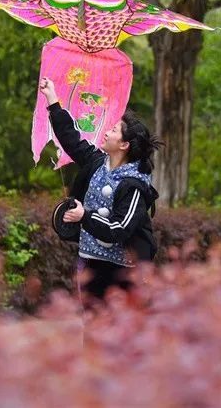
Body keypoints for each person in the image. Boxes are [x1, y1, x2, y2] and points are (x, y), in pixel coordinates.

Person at [40, 77, 161, 308]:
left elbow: (119, 229)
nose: (106, 132)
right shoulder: (96, 162)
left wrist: (84, 216)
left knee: (119, 327)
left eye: (114, 130)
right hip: (90, 263)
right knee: (92, 324)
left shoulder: (134, 185)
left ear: (124, 145)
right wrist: (52, 99)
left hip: (124, 273)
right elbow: (71, 139)